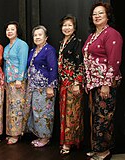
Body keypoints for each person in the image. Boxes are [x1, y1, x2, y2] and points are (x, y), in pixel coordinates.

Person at [82, 2, 123, 160]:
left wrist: (106, 84)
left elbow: (114, 61)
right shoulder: (92, 36)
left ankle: (104, 152)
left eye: (101, 13)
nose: (97, 16)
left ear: (108, 16)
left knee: (104, 118)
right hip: (93, 84)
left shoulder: (112, 34)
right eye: (94, 14)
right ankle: (97, 148)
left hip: (105, 84)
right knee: (96, 118)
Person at [26, 25, 58, 148]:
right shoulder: (32, 50)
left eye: (40, 35)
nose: (37, 37)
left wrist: (50, 86)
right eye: (35, 35)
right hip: (34, 87)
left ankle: (45, 137)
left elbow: (53, 68)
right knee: (37, 113)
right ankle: (40, 135)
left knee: (46, 113)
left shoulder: (49, 50)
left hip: (45, 87)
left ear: (46, 37)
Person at [58, 15, 84, 155]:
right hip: (63, 83)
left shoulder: (77, 42)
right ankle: (65, 141)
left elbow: (80, 64)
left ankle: (70, 143)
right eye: (64, 25)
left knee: (72, 114)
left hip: (73, 83)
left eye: (69, 25)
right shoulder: (62, 42)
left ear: (74, 27)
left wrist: (77, 82)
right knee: (64, 113)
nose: (66, 28)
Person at [3, 21, 29, 145]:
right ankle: (11, 131)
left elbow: (23, 62)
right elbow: (5, 64)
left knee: (17, 107)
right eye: (7, 29)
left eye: (12, 29)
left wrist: (19, 78)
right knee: (10, 108)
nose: (9, 31)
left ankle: (17, 133)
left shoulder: (22, 44)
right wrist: (4, 79)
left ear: (17, 31)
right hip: (9, 80)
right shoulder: (7, 47)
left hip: (18, 81)